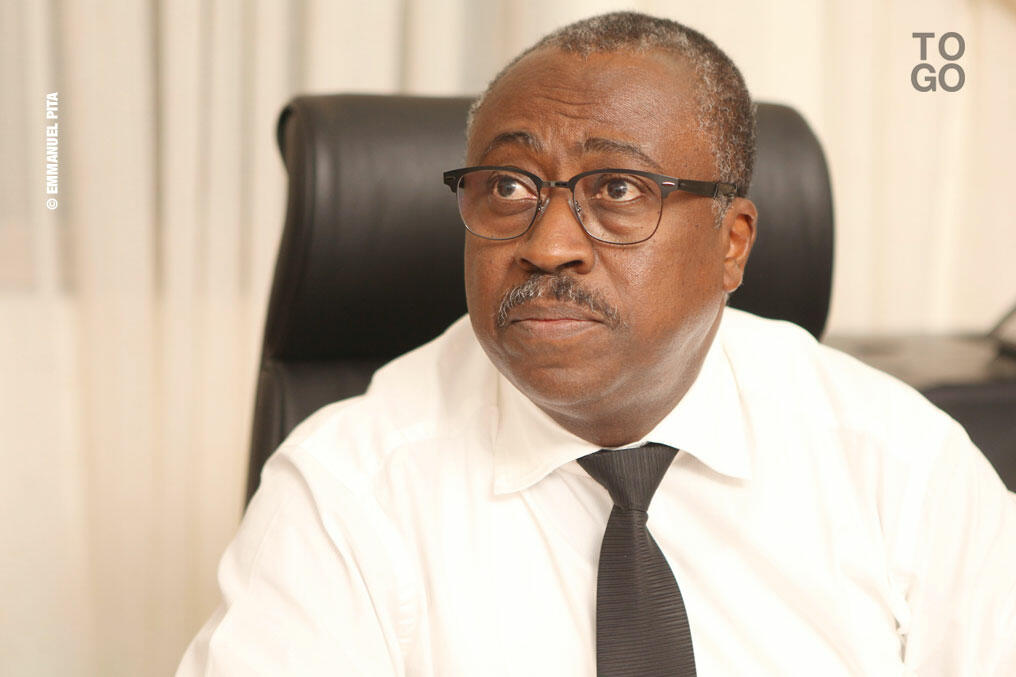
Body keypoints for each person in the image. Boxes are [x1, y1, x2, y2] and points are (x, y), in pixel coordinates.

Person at [178, 11, 1016, 676]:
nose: (547, 245)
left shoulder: (900, 467)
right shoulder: (347, 491)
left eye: (617, 189)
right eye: (508, 186)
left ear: (731, 243)